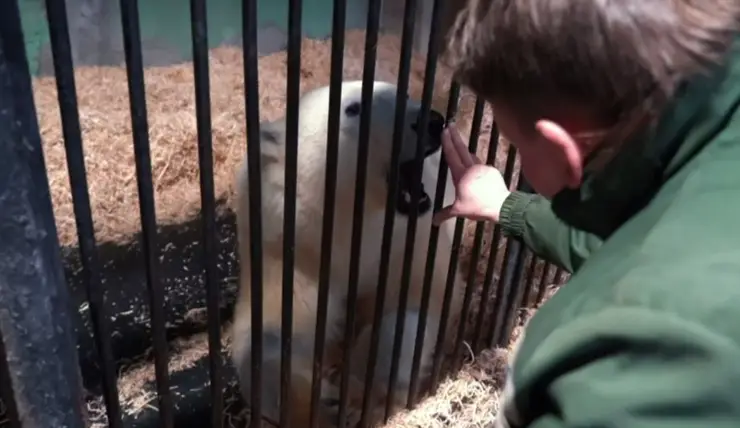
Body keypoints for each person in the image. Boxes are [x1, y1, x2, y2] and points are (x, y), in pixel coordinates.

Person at [433, 1, 740, 427]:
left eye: (514, 146)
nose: (516, 156)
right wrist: (508, 207)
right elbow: (642, 240)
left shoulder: (611, 369)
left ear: (563, 149)